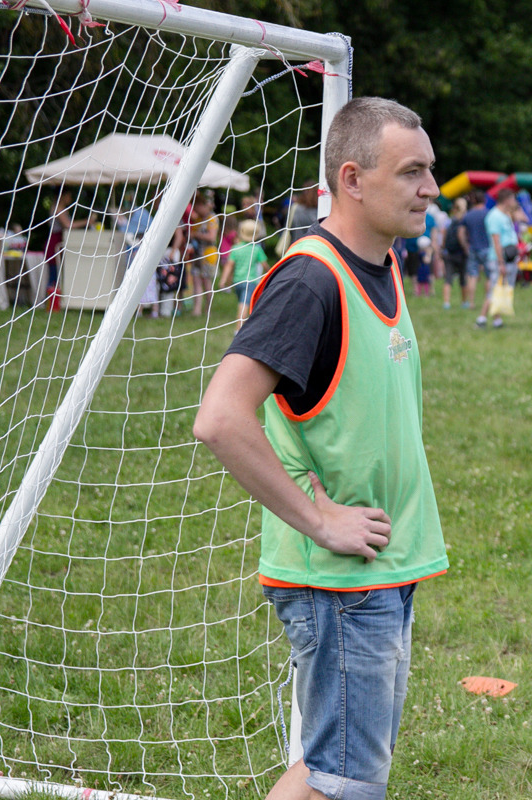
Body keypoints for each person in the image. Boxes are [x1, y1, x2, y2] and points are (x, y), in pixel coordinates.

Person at [193, 97, 447, 800]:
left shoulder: (381, 262)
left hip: (380, 567)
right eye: (413, 172)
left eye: (431, 171)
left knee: (328, 767)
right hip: (339, 582)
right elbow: (220, 417)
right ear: (352, 178)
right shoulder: (310, 280)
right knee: (346, 784)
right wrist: (320, 519)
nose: (431, 187)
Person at [476, 187, 521, 330]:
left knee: (500, 289)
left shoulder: (506, 214)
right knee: (495, 289)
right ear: (507, 200)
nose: (514, 202)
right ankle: (481, 319)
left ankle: (497, 320)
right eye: (513, 199)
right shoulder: (494, 216)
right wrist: (501, 262)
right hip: (499, 259)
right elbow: (496, 241)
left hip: (508, 258)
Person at [218, 219, 268, 330]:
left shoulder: (236, 248)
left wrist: (223, 280)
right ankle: (238, 329)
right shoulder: (257, 249)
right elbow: (264, 265)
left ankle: (245, 326)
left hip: (238, 282)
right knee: (244, 304)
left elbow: (229, 266)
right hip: (250, 281)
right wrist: (270, 273)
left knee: (244, 302)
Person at [461, 191, 489, 309]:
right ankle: (488, 300)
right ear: (484, 200)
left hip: (473, 248)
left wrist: (465, 246)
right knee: (489, 276)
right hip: (488, 248)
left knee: (472, 276)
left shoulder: (468, 215)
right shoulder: (488, 214)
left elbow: (461, 232)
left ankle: (471, 303)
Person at [441, 197, 470, 309]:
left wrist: (443, 248)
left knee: (448, 278)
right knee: (463, 279)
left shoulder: (449, 220)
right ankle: (464, 302)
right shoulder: (464, 220)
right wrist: (466, 248)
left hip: (449, 253)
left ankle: (446, 303)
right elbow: (461, 235)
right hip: (461, 253)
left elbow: (444, 234)